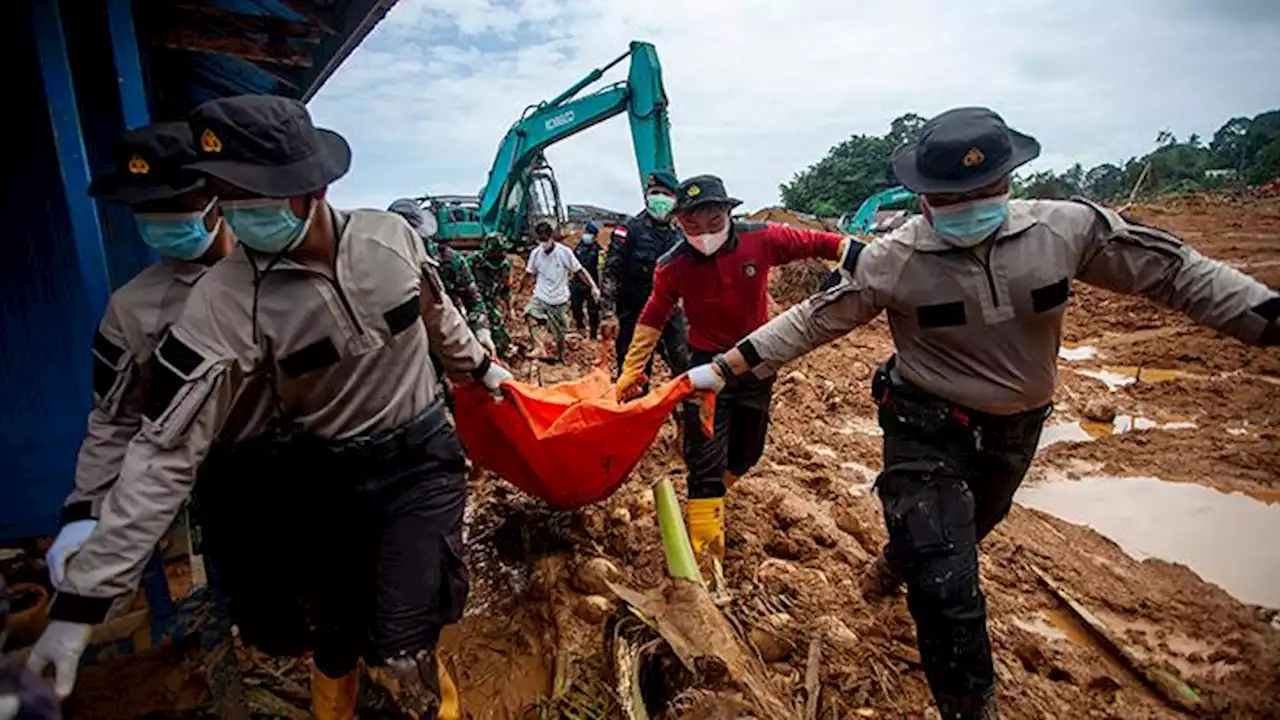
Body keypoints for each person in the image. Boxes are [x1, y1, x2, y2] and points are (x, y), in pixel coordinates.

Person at [685, 107, 1280, 720]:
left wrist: (1264, 315)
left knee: (975, 526)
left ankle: (897, 559)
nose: (970, 204)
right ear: (923, 199)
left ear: (1009, 182)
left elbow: (1174, 270)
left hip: (1015, 427)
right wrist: (721, 369)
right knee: (948, 587)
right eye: (952, 196)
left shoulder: (1066, 232)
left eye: (984, 190)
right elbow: (812, 319)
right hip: (924, 424)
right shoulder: (894, 260)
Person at [26, 95, 511, 720]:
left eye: (253, 193)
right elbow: (164, 447)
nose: (239, 210)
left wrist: (477, 367)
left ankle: (430, 701)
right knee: (329, 633)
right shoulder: (222, 302)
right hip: (323, 476)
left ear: (314, 186)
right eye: (228, 194)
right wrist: (79, 606)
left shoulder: (388, 242)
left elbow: (437, 313)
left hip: (419, 461)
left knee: (401, 636)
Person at [615, 175, 849, 578]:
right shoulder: (673, 265)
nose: (703, 234)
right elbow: (654, 314)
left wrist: (860, 254)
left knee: (747, 453)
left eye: (712, 222)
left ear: (728, 213)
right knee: (704, 463)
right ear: (679, 223)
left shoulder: (763, 239)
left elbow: (820, 243)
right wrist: (632, 369)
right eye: (692, 226)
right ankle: (704, 565)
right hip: (706, 368)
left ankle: (710, 498)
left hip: (759, 360)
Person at [44, 122, 236, 595]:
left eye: (176, 206)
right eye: (148, 211)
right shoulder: (135, 308)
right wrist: (84, 513)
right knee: (267, 617)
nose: (163, 221)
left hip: (325, 470)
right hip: (228, 479)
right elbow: (114, 419)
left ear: (217, 198)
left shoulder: (283, 271)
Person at [603, 171, 691, 386]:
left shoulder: (681, 235)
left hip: (670, 312)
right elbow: (611, 272)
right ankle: (635, 414)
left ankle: (684, 412)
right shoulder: (629, 230)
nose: (659, 198)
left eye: (665, 194)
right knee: (635, 373)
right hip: (634, 312)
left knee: (683, 364)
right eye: (655, 193)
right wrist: (608, 312)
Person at [388, 199, 495, 356]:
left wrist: (481, 331)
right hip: (405, 349)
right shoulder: (383, 266)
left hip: (451, 340)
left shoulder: (449, 260)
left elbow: (473, 301)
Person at [521, 221, 600, 362]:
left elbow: (580, 270)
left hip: (559, 299)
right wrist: (519, 291)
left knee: (560, 334)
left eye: (545, 240)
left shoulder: (564, 253)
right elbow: (529, 274)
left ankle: (561, 355)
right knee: (530, 313)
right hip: (541, 296)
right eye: (540, 240)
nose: (543, 244)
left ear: (552, 237)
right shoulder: (536, 254)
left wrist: (593, 286)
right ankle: (539, 348)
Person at [467, 232, 514, 359]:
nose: (502, 254)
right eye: (498, 251)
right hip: (471, 304)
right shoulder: (472, 262)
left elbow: (506, 289)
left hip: (490, 302)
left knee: (498, 330)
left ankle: (502, 352)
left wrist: (510, 309)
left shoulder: (504, 266)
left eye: (503, 251)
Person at [570, 222, 602, 339]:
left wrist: (599, 287)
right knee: (575, 307)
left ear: (594, 236)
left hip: (592, 284)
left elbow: (601, 268)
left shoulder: (598, 250)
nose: (587, 235)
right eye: (586, 233)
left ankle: (593, 334)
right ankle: (580, 327)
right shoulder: (578, 248)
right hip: (577, 283)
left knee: (593, 311)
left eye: (590, 234)